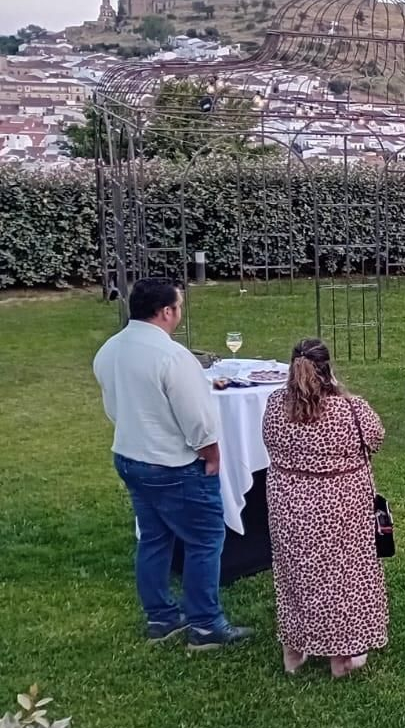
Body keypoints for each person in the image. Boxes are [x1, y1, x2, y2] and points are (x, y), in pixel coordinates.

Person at [92, 278, 251, 650]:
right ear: (166, 312)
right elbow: (198, 419)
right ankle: (206, 626)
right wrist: (211, 454)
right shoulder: (172, 357)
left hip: (130, 456)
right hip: (173, 464)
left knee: (154, 538)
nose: (179, 313)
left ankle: (161, 617)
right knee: (205, 539)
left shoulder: (109, 350)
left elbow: (114, 406)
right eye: (178, 307)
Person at [263, 338, 388, 678]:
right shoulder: (351, 408)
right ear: (328, 368)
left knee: (295, 574)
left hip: (289, 502)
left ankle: (294, 649)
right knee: (344, 577)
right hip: (341, 504)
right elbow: (376, 438)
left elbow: (269, 441)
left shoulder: (275, 404)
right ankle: (341, 657)